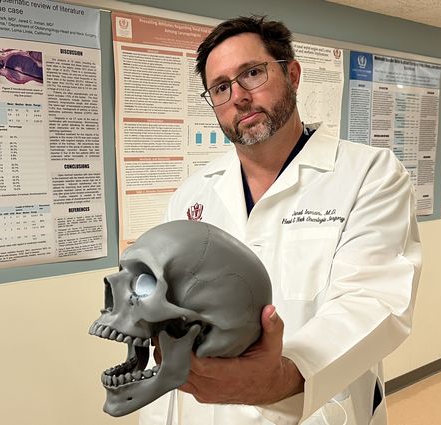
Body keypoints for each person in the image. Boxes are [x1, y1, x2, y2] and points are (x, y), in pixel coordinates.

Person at [139, 15, 422, 425]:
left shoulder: (369, 174)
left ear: (292, 74)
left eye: (252, 73)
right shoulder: (192, 194)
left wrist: (281, 378)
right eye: (221, 87)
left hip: (310, 407)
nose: (238, 96)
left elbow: (374, 303)